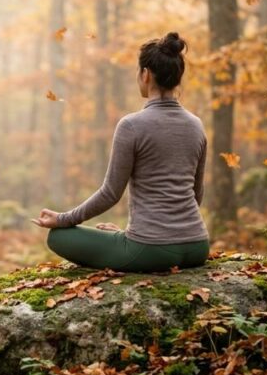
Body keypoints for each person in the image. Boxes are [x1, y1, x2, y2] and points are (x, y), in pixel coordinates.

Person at [31, 32, 209, 273]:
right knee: (125, 238)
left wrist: (63, 219)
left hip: (151, 250)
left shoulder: (131, 125)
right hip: (198, 246)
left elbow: (110, 194)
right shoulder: (196, 125)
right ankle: (133, 239)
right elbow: (196, 194)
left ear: (145, 74)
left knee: (58, 237)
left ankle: (133, 242)